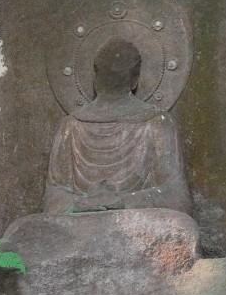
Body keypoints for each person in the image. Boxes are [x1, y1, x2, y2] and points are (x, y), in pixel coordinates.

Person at [43, 37, 190, 214]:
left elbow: (178, 199)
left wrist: (122, 201)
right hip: (85, 221)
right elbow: (52, 199)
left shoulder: (155, 122)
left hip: (134, 222)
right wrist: (80, 204)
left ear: (95, 77)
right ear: (135, 80)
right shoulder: (72, 125)